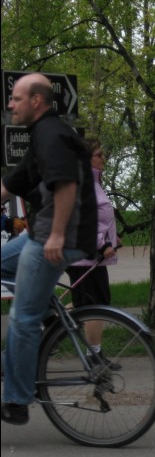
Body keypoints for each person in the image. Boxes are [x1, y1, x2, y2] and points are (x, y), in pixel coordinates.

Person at [1, 73, 97, 426]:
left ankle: (16, 399)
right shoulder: (42, 134)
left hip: (56, 237)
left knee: (21, 319)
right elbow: (11, 184)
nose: (10, 104)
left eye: (16, 98)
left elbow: (67, 184)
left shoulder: (51, 136)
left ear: (36, 101)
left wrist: (56, 236)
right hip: (45, 233)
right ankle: (50, 318)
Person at [66, 139, 121, 370]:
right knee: (95, 305)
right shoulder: (84, 182)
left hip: (92, 255)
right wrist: (101, 245)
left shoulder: (94, 181)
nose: (103, 158)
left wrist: (112, 239)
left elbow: (99, 218)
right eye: (98, 154)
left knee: (87, 304)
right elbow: (80, 219)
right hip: (85, 255)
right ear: (87, 158)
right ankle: (94, 356)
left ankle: (47, 320)